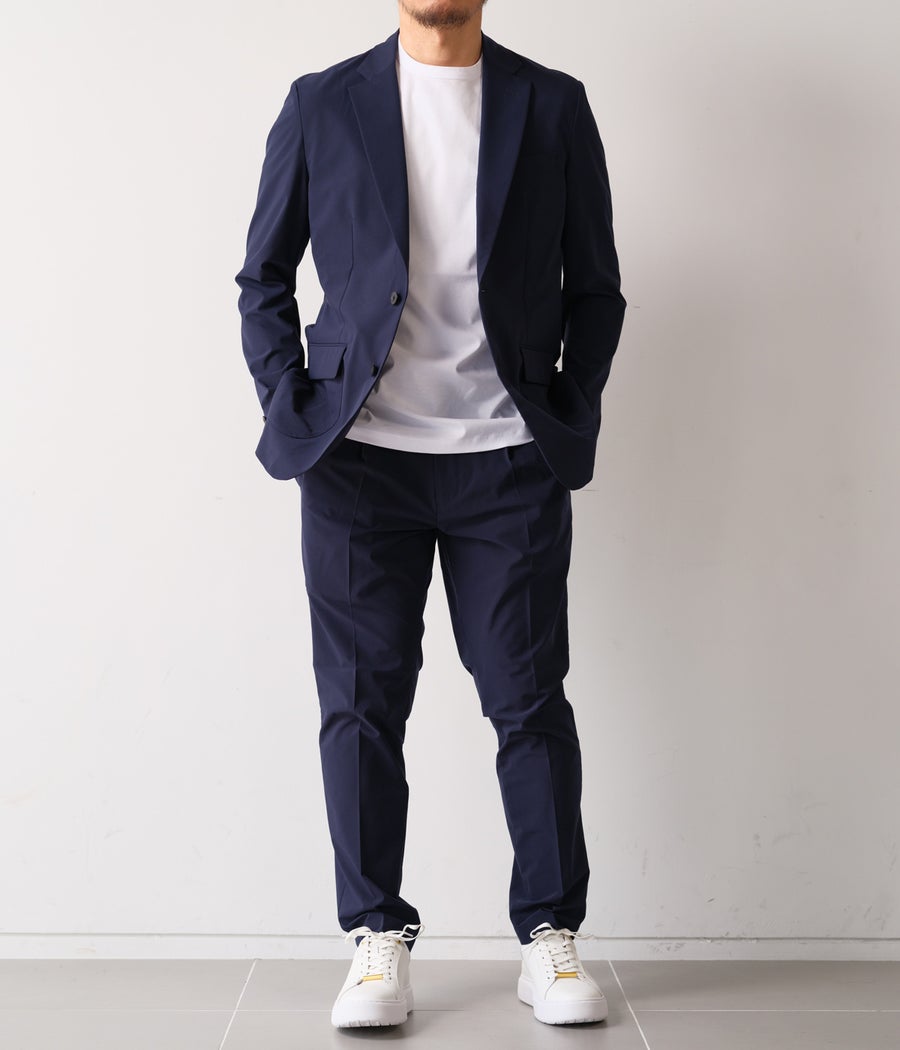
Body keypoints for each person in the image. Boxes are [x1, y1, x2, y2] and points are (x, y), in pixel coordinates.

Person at [235, 0, 626, 1029]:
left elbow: (597, 290)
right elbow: (263, 278)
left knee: (528, 701)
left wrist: (565, 408)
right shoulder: (322, 105)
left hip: (506, 461)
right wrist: (292, 403)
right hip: (360, 465)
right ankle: (376, 937)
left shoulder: (552, 106)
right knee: (361, 706)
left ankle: (549, 937)